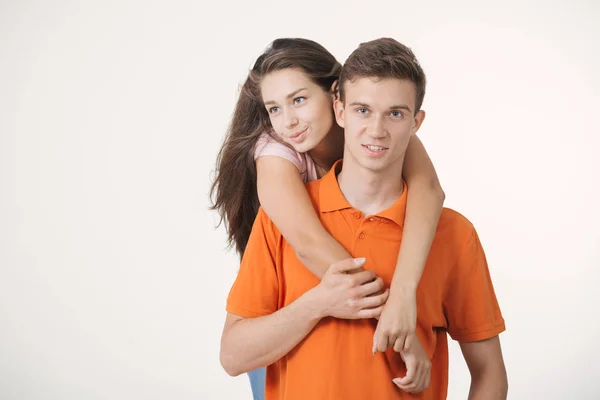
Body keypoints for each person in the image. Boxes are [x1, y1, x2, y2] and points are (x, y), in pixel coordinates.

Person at [219, 37, 508, 399]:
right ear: (342, 108)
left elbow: (429, 189)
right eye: (274, 108)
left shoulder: (381, 120)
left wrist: (405, 296)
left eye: (299, 99)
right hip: (295, 294)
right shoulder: (276, 157)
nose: (288, 121)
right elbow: (308, 246)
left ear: (333, 95)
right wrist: (399, 329)